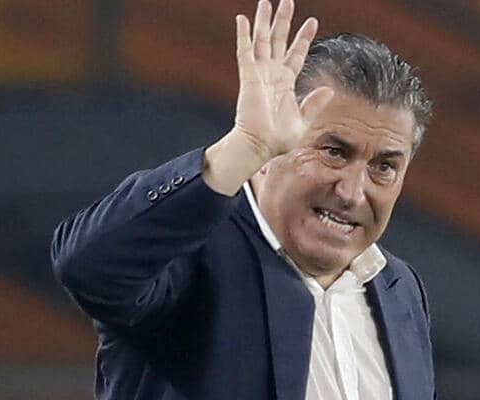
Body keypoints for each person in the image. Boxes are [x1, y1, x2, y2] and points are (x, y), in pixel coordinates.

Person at [50, 0, 434, 399]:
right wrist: (244, 147)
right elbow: (87, 267)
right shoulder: (189, 255)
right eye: (333, 152)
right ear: (274, 147)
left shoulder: (399, 288)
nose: (352, 192)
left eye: (384, 166)